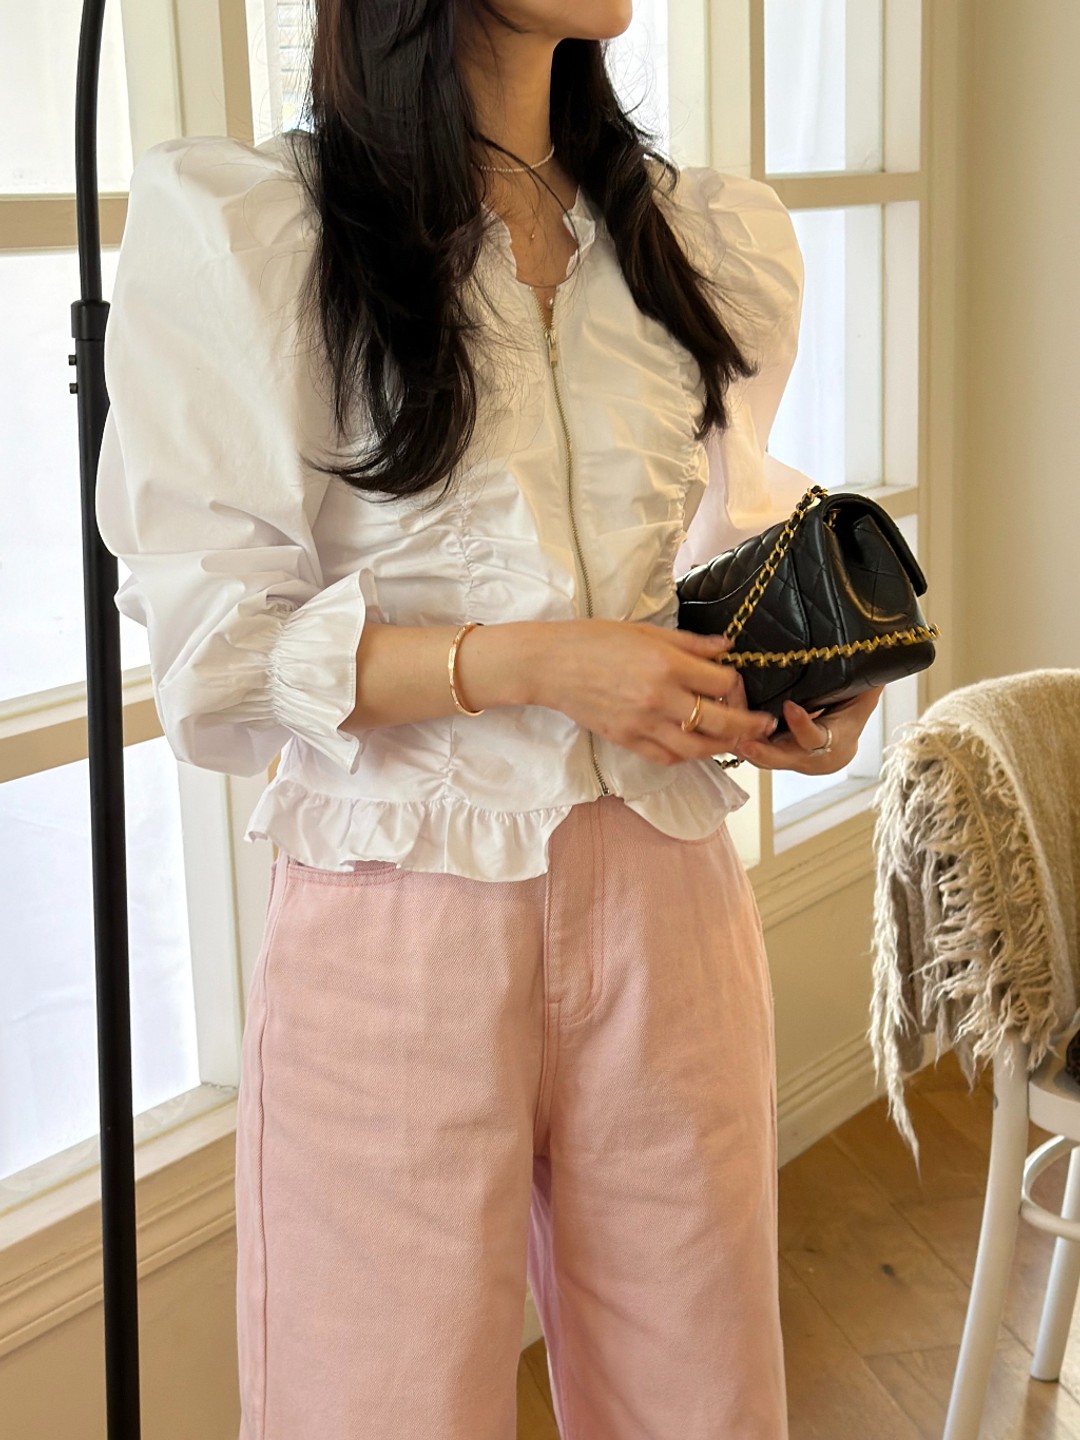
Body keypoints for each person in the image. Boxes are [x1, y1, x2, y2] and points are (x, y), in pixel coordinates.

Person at [95, 2, 883, 1436]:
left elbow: (723, 539)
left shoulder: (691, 239)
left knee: (703, 1401)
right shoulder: (265, 235)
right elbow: (218, 660)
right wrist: (533, 665)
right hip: (398, 909)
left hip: (669, 899)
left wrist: (799, 690)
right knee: (377, 1404)